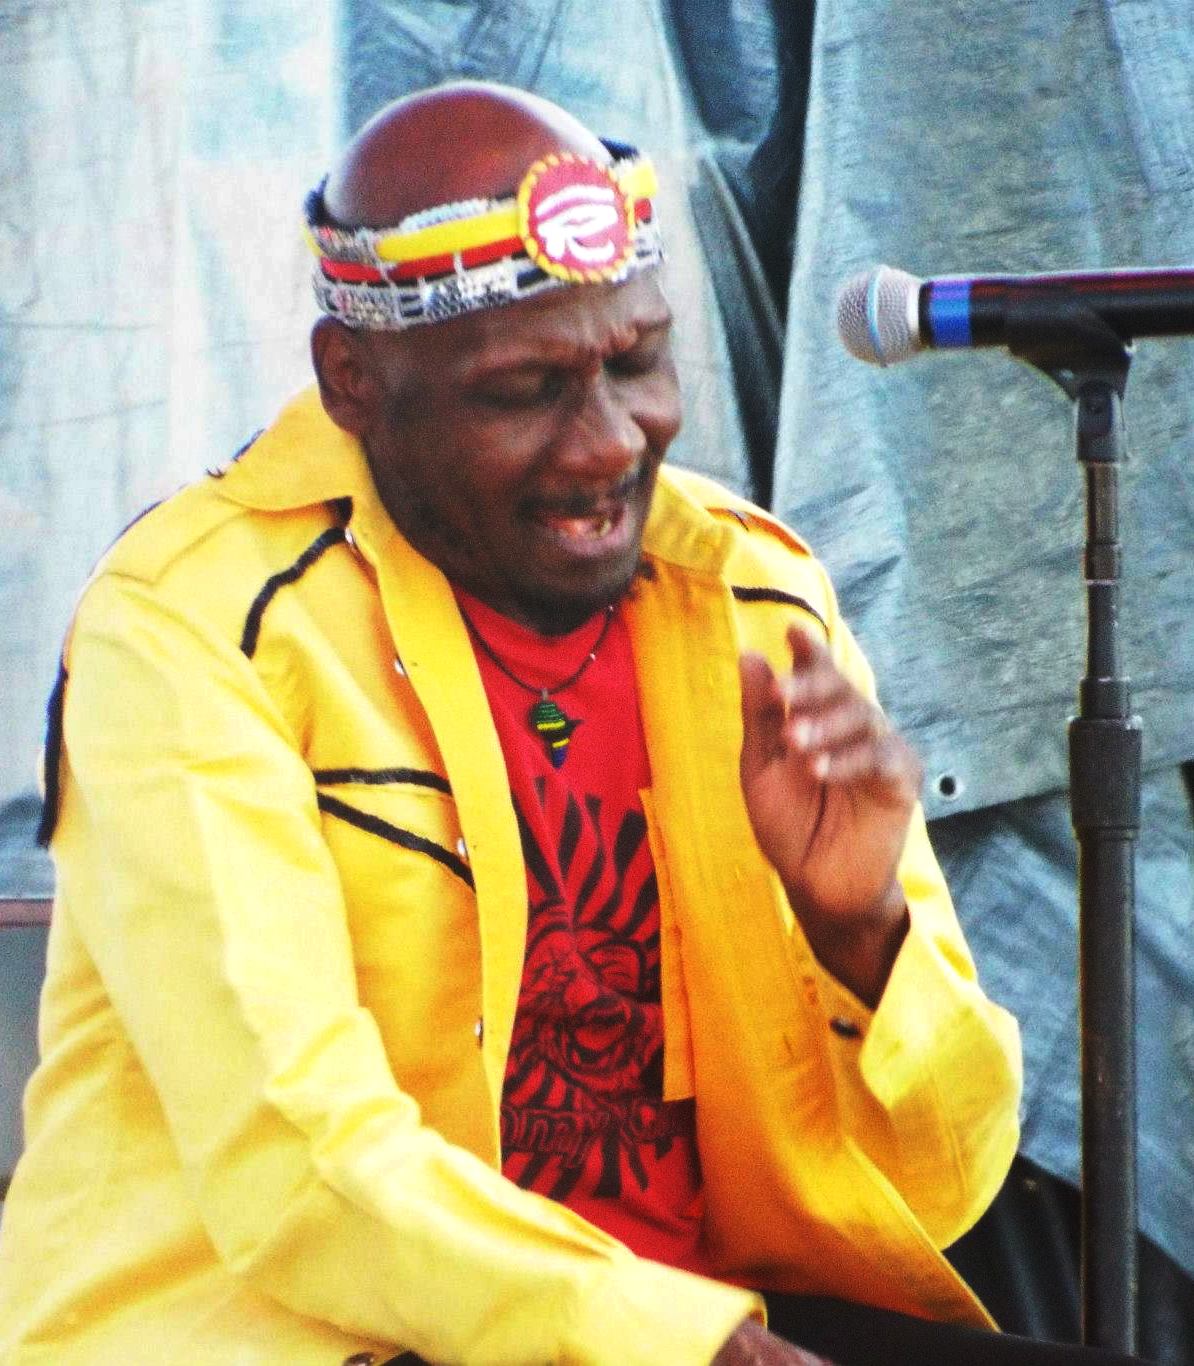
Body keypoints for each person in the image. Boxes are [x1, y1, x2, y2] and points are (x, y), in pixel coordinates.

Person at [0, 81, 1135, 1366]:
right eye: (527, 387)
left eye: (637, 361)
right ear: (355, 381)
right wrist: (679, 1341)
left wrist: (862, 929)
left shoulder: (753, 595)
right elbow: (296, 1160)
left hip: (696, 1313)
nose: (608, 442)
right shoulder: (196, 625)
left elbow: (941, 1184)